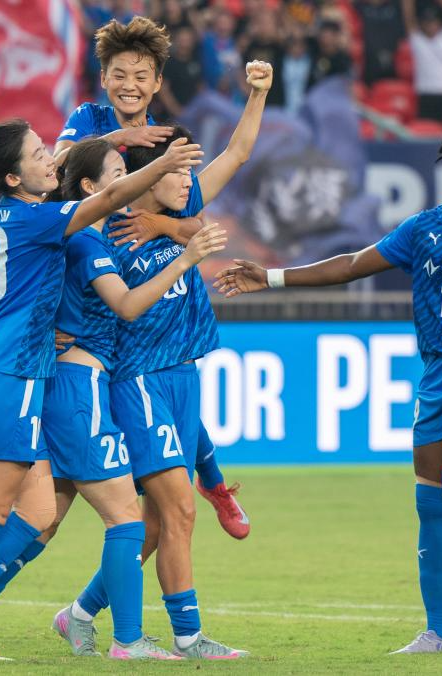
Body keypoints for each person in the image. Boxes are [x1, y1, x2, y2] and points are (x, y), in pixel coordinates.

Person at [214, 120, 442, 656]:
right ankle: (439, 635)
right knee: (430, 502)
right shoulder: (425, 227)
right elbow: (351, 265)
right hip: (437, 376)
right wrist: (272, 277)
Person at [0, 118, 202, 662]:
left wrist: (116, 143)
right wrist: (161, 166)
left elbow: (72, 172)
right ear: (13, 177)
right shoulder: (43, 221)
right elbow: (109, 197)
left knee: (36, 514)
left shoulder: (2, 212)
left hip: (7, 369)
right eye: (37, 154)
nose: (49, 158)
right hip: (14, 374)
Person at [54, 60, 272, 661]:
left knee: (156, 525)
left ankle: (78, 615)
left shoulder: (174, 213)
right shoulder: (108, 228)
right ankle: (188, 637)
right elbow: (66, 220)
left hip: (182, 373)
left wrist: (257, 94)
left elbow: (237, 153)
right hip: (138, 379)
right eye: (177, 171)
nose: (189, 182)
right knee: (176, 511)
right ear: (146, 178)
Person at [54, 16, 175, 163]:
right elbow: (56, 166)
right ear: (103, 79)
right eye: (119, 76)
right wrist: (118, 138)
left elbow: (190, 179)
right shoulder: (88, 116)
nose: (129, 86)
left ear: (157, 83)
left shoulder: (162, 141)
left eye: (140, 78)